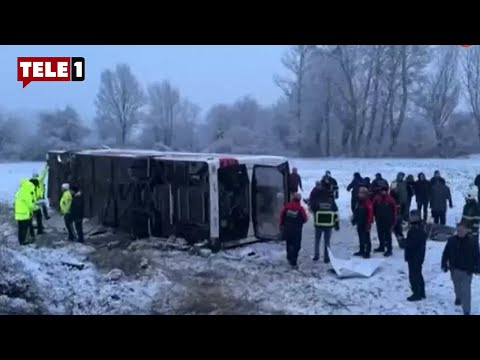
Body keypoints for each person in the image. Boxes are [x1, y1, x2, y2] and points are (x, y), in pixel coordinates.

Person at [441, 221, 480, 315]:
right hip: (454, 269)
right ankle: (458, 297)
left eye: (462, 230)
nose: (460, 232)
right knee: (457, 286)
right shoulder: (452, 241)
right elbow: (445, 253)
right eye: (458, 230)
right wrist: (444, 264)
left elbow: (477, 256)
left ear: (466, 230)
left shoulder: (473, 242)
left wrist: (477, 268)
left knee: (466, 291)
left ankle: (466, 311)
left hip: (467, 271)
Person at [310, 184, 339, 263]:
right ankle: (326, 258)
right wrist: (336, 224)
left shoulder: (317, 200)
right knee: (327, 241)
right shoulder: (331, 201)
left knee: (317, 240)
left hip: (318, 224)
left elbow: (312, 209)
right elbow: (335, 212)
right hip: (329, 224)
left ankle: (316, 256)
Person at [280, 193, 308, 269]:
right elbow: (305, 218)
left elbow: (282, 216)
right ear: (299, 200)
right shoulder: (300, 208)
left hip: (287, 229)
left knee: (289, 242)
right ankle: (293, 261)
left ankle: (289, 256)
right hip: (297, 230)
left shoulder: (287, 206)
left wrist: (282, 224)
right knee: (296, 245)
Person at [404, 210, 427, 302]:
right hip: (417, 255)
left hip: (415, 255)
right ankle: (421, 292)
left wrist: (404, 242)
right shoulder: (419, 227)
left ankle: (416, 293)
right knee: (418, 273)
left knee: (414, 275)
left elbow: (413, 243)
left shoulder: (416, 229)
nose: (411, 218)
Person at [372, 185, 396, 257]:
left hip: (388, 220)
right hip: (379, 219)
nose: (383, 192)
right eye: (382, 191)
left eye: (384, 191)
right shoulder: (376, 199)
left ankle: (389, 249)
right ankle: (381, 246)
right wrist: (373, 216)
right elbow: (373, 208)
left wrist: (394, 220)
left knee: (388, 235)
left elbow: (394, 210)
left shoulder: (390, 199)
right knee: (380, 233)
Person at [352, 187, 373, 258]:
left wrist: (369, 223)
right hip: (359, 222)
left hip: (366, 222)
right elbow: (356, 212)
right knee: (360, 237)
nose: (360, 195)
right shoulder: (358, 202)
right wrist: (354, 219)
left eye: (362, 193)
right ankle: (361, 250)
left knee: (366, 237)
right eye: (360, 193)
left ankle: (367, 252)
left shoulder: (368, 202)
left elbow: (370, 213)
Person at [14, 179, 36, 245]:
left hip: (18, 213)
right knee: (24, 228)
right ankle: (23, 241)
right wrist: (33, 208)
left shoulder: (19, 192)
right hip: (24, 214)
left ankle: (20, 240)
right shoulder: (26, 192)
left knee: (20, 228)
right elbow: (30, 204)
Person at [390, 182, 406, 249]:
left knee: (398, 229)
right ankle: (400, 243)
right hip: (394, 215)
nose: (397, 189)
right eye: (395, 188)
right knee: (397, 229)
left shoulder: (397, 195)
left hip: (397, 214)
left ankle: (401, 242)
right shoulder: (392, 196)